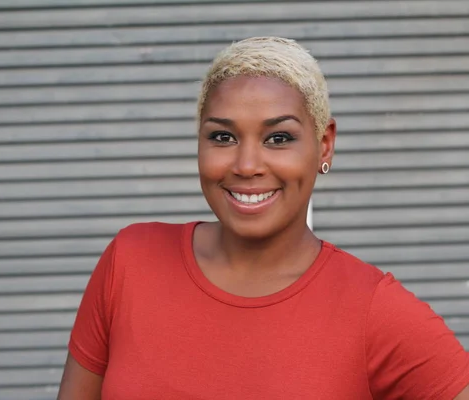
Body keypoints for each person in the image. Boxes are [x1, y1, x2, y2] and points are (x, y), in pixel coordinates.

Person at [57, 37, 469, 399]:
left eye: (279, 138)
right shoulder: (131, 261)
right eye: (223, 136)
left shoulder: (373, 310)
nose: (247, 164)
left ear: (324, 146)